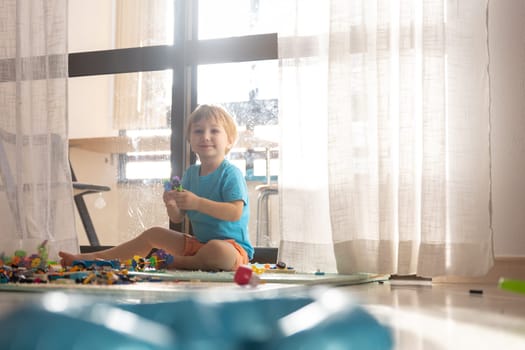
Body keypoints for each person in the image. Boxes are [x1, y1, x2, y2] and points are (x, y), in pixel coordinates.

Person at [59, 104, 253, 271]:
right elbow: (177, 218)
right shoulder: (191, 174)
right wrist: (172, 205)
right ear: (190, 140)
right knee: (153, 234)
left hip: (232, 249)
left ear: (229, 140)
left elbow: (235, 213)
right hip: (199, 246)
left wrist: (198, 203)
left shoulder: (230, 173)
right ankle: (94, 259)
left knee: (217, 251)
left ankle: (179, 263)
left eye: (214, 131)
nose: (206, 136)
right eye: (198, 131)